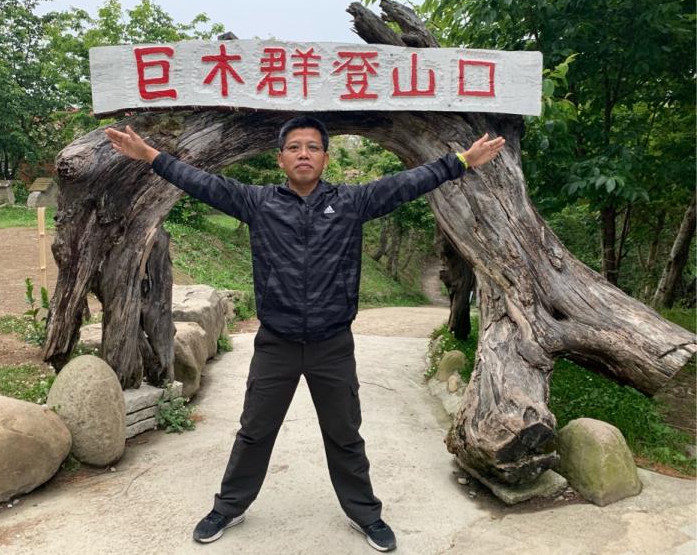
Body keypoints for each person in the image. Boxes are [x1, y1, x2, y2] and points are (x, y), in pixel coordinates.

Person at [105, 116, 504, 552]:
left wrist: (462, 161)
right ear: (281, 159)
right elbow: (202, 183)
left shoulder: (351, 202)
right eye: (294, 147)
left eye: (312, 147)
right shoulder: (258, 202)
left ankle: (365, 513)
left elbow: (408, 183)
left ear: (325, 158)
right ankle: (229, 506)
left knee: (345, 434)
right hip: (276, 344)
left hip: (332, 345)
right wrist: (149, 155)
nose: (303, 154)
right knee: (255, 431)